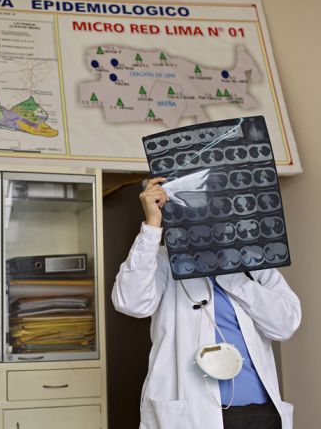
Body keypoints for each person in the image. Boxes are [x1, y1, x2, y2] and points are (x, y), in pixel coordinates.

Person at [112, 177, 301, 429]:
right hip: (193, 416)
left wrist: (231, 276)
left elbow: (285, 325)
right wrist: (151, 226)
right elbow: (131, 303)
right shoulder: (163, 260)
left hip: (259, 412)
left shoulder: (255, 262)